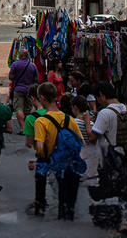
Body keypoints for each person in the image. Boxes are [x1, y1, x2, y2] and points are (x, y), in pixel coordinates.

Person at [33, 83, 85, 221]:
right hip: (71, 165)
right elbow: (82, 143)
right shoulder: (69, 119)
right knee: (69, 205)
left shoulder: (41, 121)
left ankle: (41, 209)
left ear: (42, 98)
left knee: (50, 193)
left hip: (55, 165)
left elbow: (40, 149)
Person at [9, 51, 39, 133]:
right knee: (27, 109)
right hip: (29, 90)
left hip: (18, 89)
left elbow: (11, 76)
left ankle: (22, 127)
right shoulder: (32, 65)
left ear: (21, 55)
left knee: (19, 108)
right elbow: (36, 78)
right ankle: (26, 126)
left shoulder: (15, 64)